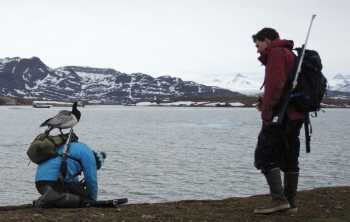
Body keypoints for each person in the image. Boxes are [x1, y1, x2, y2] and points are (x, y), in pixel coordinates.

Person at [252, 28, 305, 214]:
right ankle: (291, 203)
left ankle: (279, 199)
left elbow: (276, 84)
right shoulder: (290, 52)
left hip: (281, 116)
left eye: (258, 45)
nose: (258, 50)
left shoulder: (275, 53)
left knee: (264, 156)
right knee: (289, 156)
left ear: (267, 40)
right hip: (296, 115)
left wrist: (266, 111)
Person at [33, 142, 106, 208]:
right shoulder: (90, 156)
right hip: (53, 182)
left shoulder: (73, 149)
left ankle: (44, 201)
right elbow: (91, 181)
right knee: (87, 199)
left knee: (75, 195)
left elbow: (73, 183)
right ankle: (51, 197)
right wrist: (94, 202)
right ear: (96, 163)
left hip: (40, 183)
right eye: (97, 168)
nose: (95, 170)